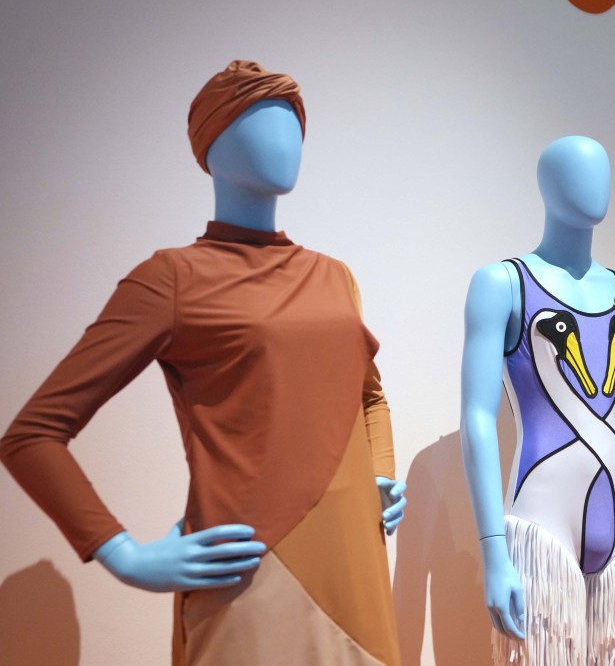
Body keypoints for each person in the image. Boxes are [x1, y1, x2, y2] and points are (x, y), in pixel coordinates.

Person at [0, 60, 405, 665]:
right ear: (211, 146)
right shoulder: (172, 278)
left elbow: (367, 393)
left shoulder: (334, 276)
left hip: (359, 572)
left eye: (293, 122)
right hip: (252, 572)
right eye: (258, 120)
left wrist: (381, 475)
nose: (285, 139)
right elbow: (31, 436)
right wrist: (122, 553)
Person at [460, 135, 615, 665]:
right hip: (540, 527)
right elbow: (477, 418)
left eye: (603, 172)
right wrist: (493, 550)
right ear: (546, 186)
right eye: (577, 173)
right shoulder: (502, 284)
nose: (595, 187)